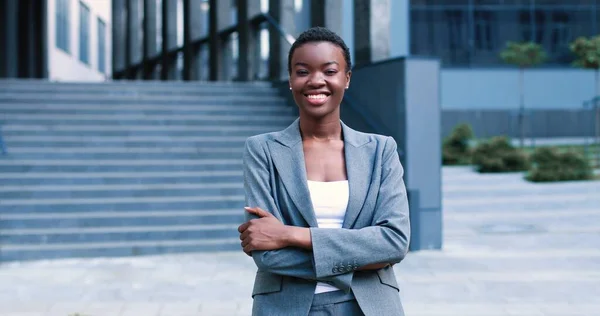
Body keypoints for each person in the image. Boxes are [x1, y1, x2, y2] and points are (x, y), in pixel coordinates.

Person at [237, 26, 410, 316]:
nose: (316, 81)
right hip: (285, 307)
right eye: (302, 71)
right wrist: (363, 258)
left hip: (370, 306)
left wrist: (292, 235)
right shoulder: (262, 150)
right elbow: (266, 252)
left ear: (347, 78)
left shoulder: (381, 150)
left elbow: (393, 242)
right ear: (291, 80)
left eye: (330, 71)